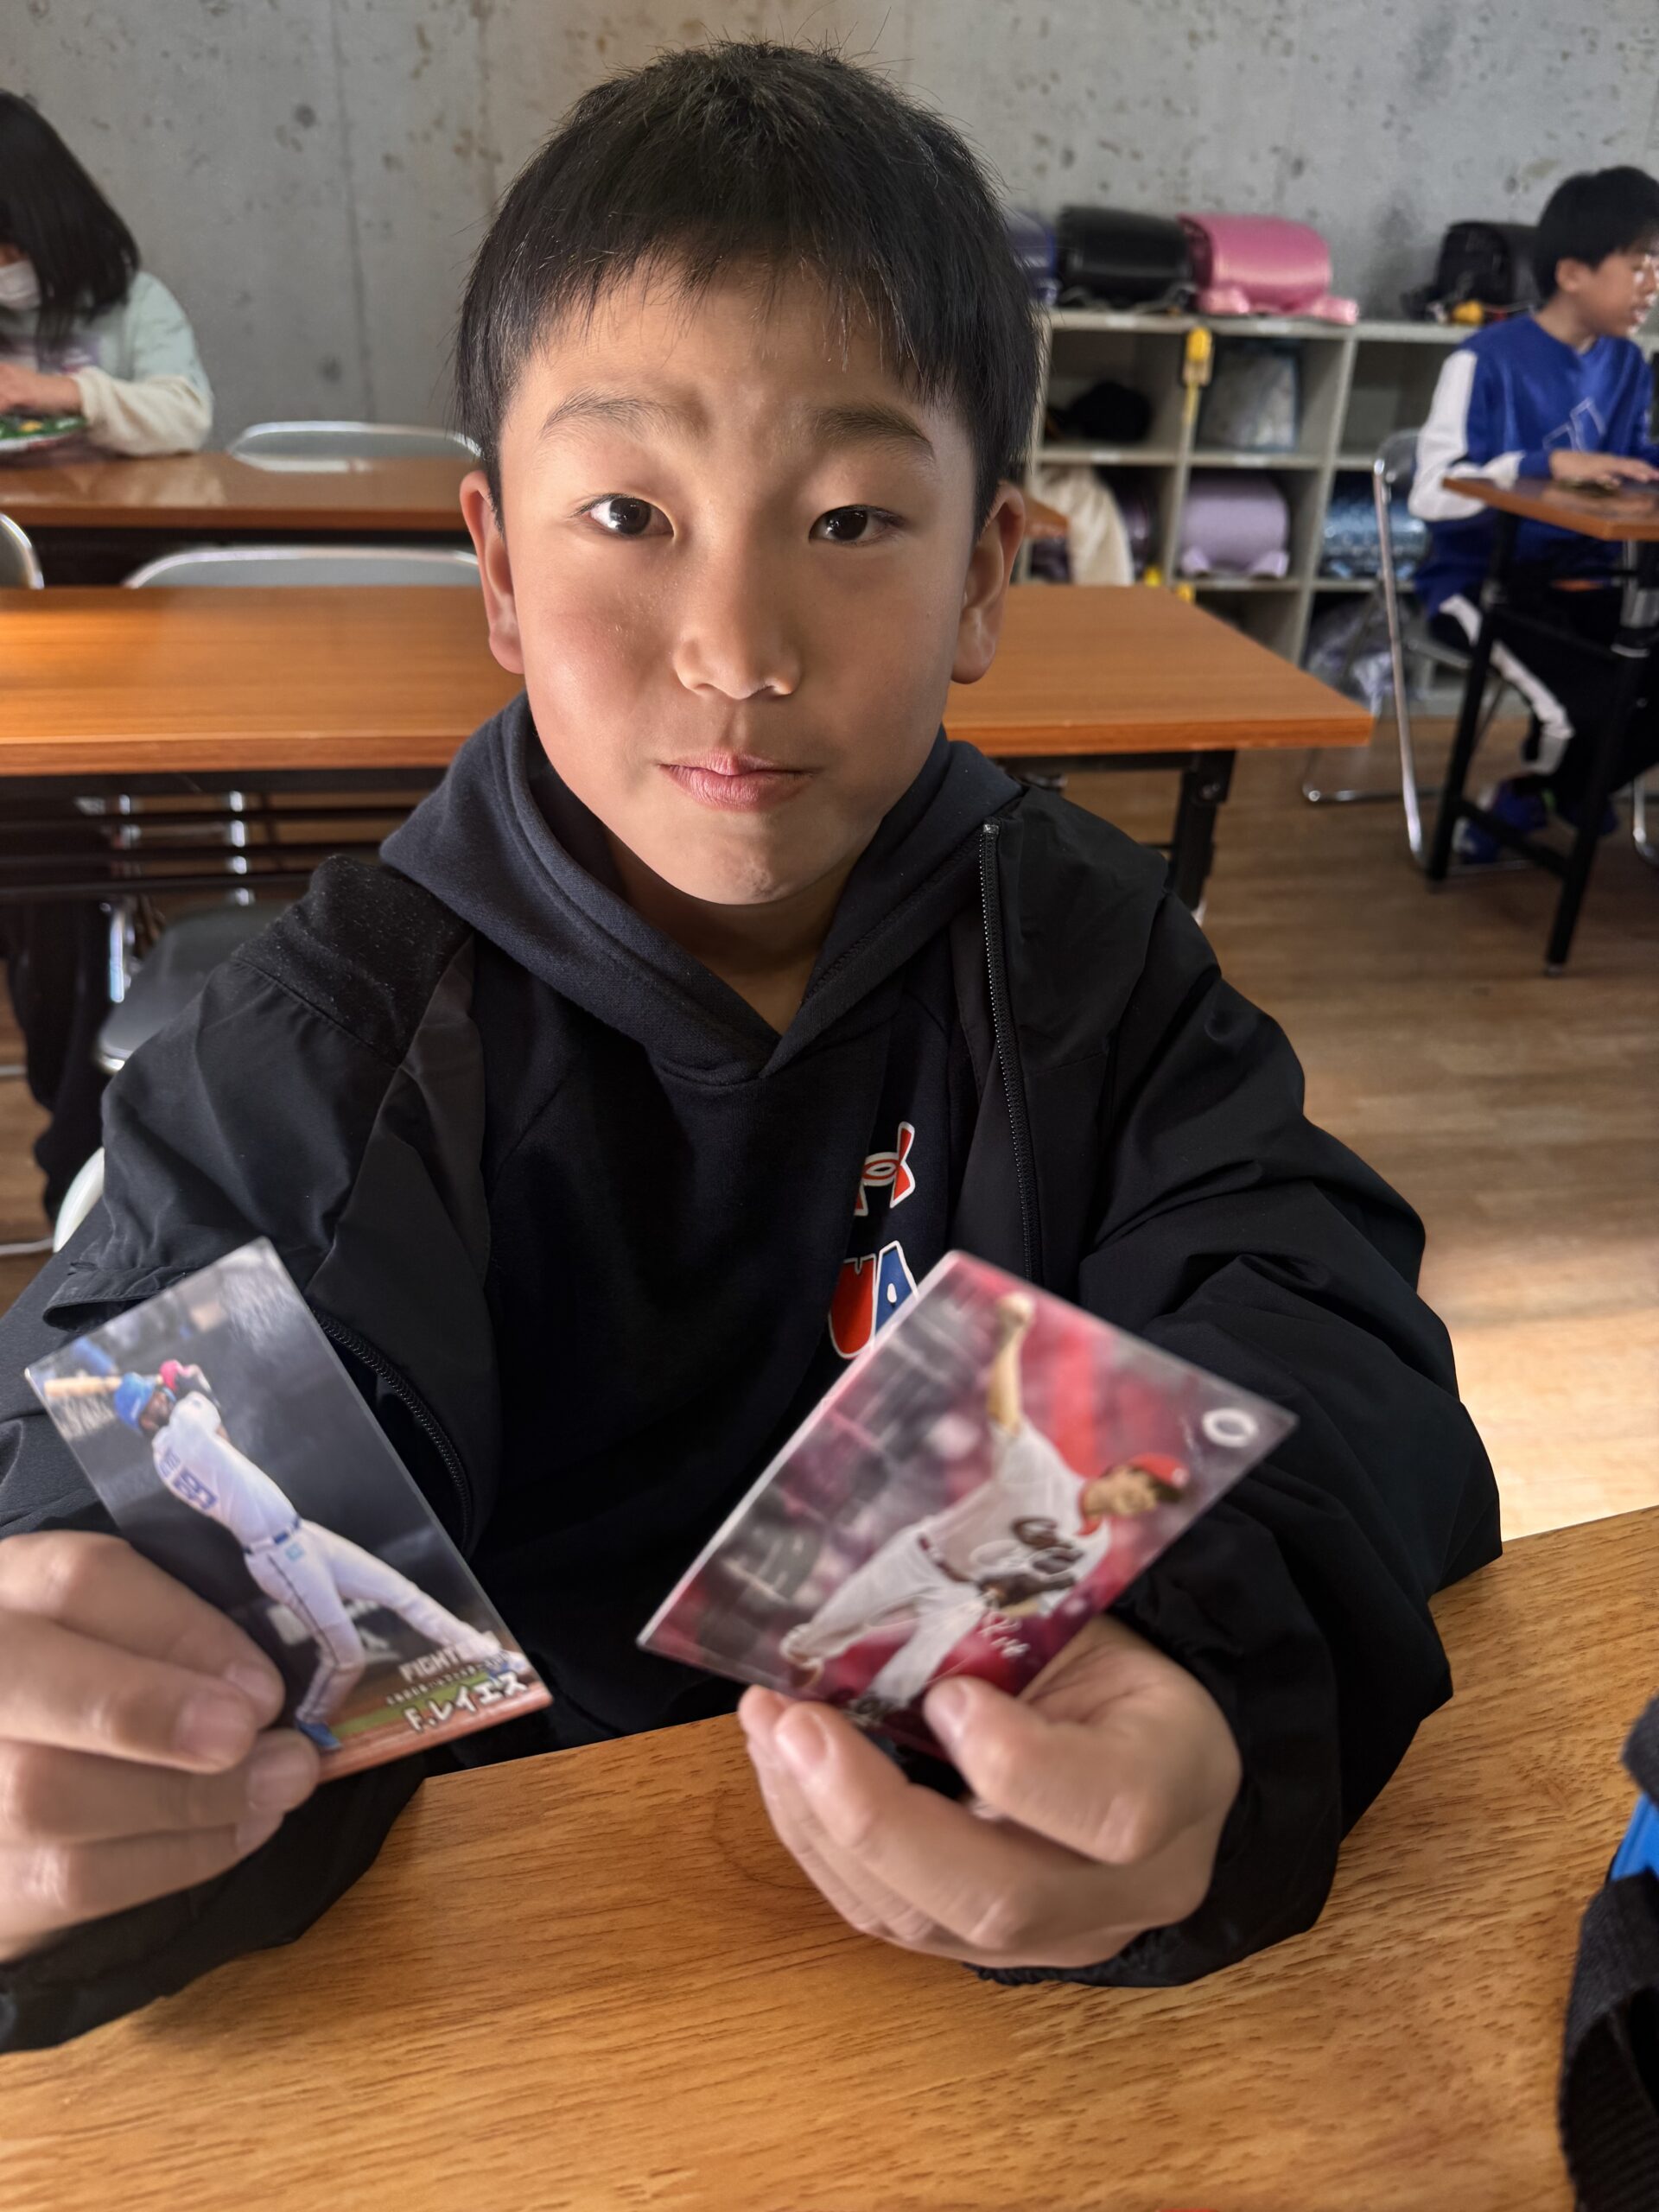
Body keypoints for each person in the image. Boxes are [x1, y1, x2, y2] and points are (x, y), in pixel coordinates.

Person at [0, 41, 1497, 2046]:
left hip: (995, 1932)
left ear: (988, 572)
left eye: (853, 518)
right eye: (629, 511)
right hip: (525, 1943)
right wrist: (86, 1750)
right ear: (500, 566)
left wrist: (1206, 1663)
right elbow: (137, 1440)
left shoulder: (1078, 949)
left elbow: (1312, 1317)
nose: (738, 645)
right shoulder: (329, 1041)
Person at [41, 1359, 519, 1750]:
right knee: (347, 1655)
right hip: (278, 1557)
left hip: (301, 1535)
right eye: (151, 1402)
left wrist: (179, 1385)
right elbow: (198, 1397)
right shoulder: (181, 1429)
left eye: (157, 1395)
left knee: (403, 1593)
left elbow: (220, 1439)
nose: (160, 1400)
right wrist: (186, 1379)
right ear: (143, 1423)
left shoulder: (170, 1451)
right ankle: (310, 1719)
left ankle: (487, 1658)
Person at [1409, 166, 1659, 858]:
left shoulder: (1629, 365)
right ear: (1573, 273)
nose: (1653, 285)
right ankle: (1534, 793)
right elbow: (1431, 493)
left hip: (1587, 579)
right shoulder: (1484, 361)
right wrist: (1540, 464)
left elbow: (1630, 463)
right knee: (1582, 707)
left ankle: (1569, 790)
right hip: (1482, 584)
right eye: (1640, 265)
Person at [780, 1293, 1188, 1711]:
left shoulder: (1095, 1544)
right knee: (832, 1625)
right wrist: (1010, 1339)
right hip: (921, 1554)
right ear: (1119, 1471)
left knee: (911, 1672)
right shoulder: (1044, 1473)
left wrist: (1005, 1600)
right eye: (1143, 1483)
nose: (1141, 1497)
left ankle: (872, 1712)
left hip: (965, 1593)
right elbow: (1005, 1415)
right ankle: (804, 1653)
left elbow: (1042, 1600)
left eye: (1153, 1498)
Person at [0, 91, 213, 458]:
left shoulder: (137, 303)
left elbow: (187, 417)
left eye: (12, 247)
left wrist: (66, 393)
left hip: (113, 494)